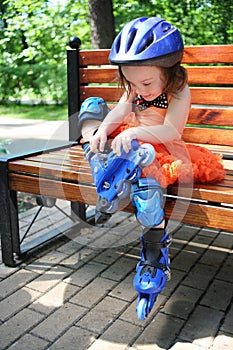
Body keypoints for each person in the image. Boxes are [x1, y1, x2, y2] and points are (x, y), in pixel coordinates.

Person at [78, 17, 225, 320]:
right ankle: (108, 175)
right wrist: (106, 129)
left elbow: (171, 131)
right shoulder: (135, 88)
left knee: (149, 174)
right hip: (132, 141)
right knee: (96, 124)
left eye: (145, 84)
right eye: (131, 83)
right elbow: (121, 109)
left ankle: (154, 254)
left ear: (170, 73)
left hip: (159, 146)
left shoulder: (179, 90)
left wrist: (135, 134)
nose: (138, 90)